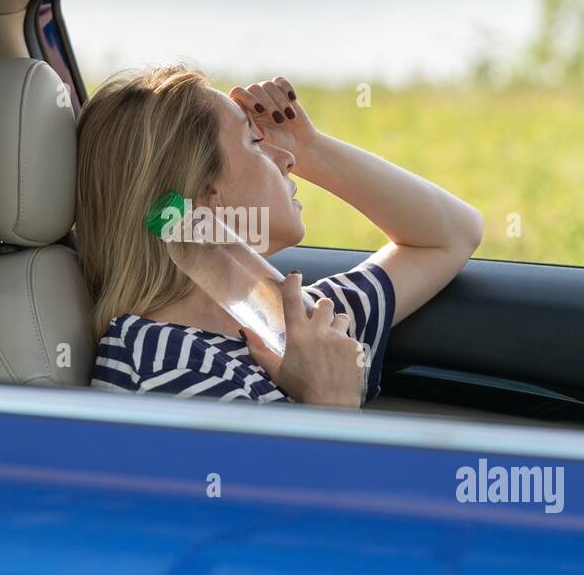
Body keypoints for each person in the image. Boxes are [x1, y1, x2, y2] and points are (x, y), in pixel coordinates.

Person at [75, 65, 482, 408]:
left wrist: (310, 147)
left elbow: (451, 235)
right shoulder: (166, 369)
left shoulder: (297, 326)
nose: (287, 160)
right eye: (255, 141)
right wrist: (331, 408)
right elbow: (294, 505)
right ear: (204, 197)